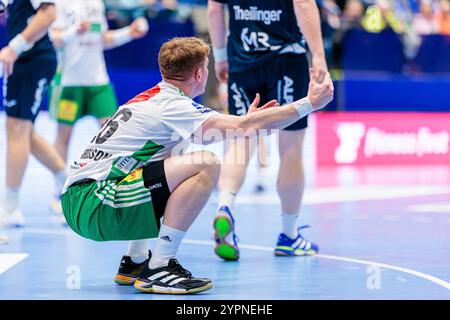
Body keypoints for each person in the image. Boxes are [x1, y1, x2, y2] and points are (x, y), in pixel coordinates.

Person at [61, 37, 333, 294]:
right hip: (95, 203)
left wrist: (247, 124)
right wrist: (310, 104)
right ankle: (160, 266)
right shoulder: (174, 106)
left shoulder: (152, 99)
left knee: (171, 160)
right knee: (206, 165)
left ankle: (135, 261)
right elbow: (241, 127)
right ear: (200, 74)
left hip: (79, 199)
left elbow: (237, 129)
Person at [208, 0, 330, 260]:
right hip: (286, 59)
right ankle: (289, 235)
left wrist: (219, 56)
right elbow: (303, 3)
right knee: (291, 146)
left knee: (241, 138)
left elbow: (215, 9)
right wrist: (318, 55)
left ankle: (225, 206)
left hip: (241, 59)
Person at [49, 0, 148, 167]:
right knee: (63, 136)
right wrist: (74, 32)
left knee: (112, 135)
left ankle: (109, 183)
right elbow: (54, 39)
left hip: (98, 82)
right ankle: (59, 186)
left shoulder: (97, 3)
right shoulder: (60, 3)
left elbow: (103, 39)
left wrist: (129, 33)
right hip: (69, 83)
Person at [0, 0, 67, 228]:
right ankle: (68, 183)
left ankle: (10, 210)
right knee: (24, 132)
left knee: (17, 129)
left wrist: (15, 47)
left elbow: (48, 13)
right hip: (27, 58)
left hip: (30, 58)